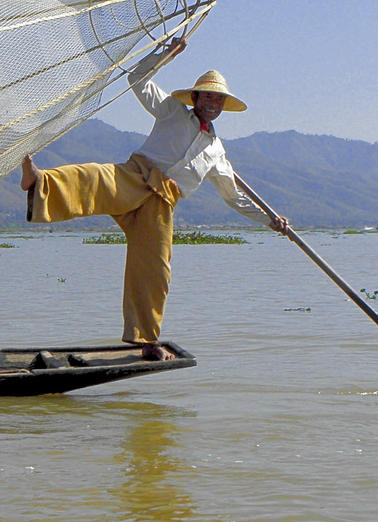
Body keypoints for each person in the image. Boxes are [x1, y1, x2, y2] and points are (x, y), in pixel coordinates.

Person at [19, 38, 288, 360]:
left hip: (161, 203)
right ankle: (39, 180)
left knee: (155, 270)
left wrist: (269, 220)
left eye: (218, 98)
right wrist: (166, 55)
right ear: (196, 98)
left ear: (222, 105)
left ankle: (146, 339)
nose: (212, 101)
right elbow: (138, 79)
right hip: (136, 176)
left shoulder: (218, 153)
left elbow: (234, 197)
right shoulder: (172, 112)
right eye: (207, 95)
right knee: (91, 176)